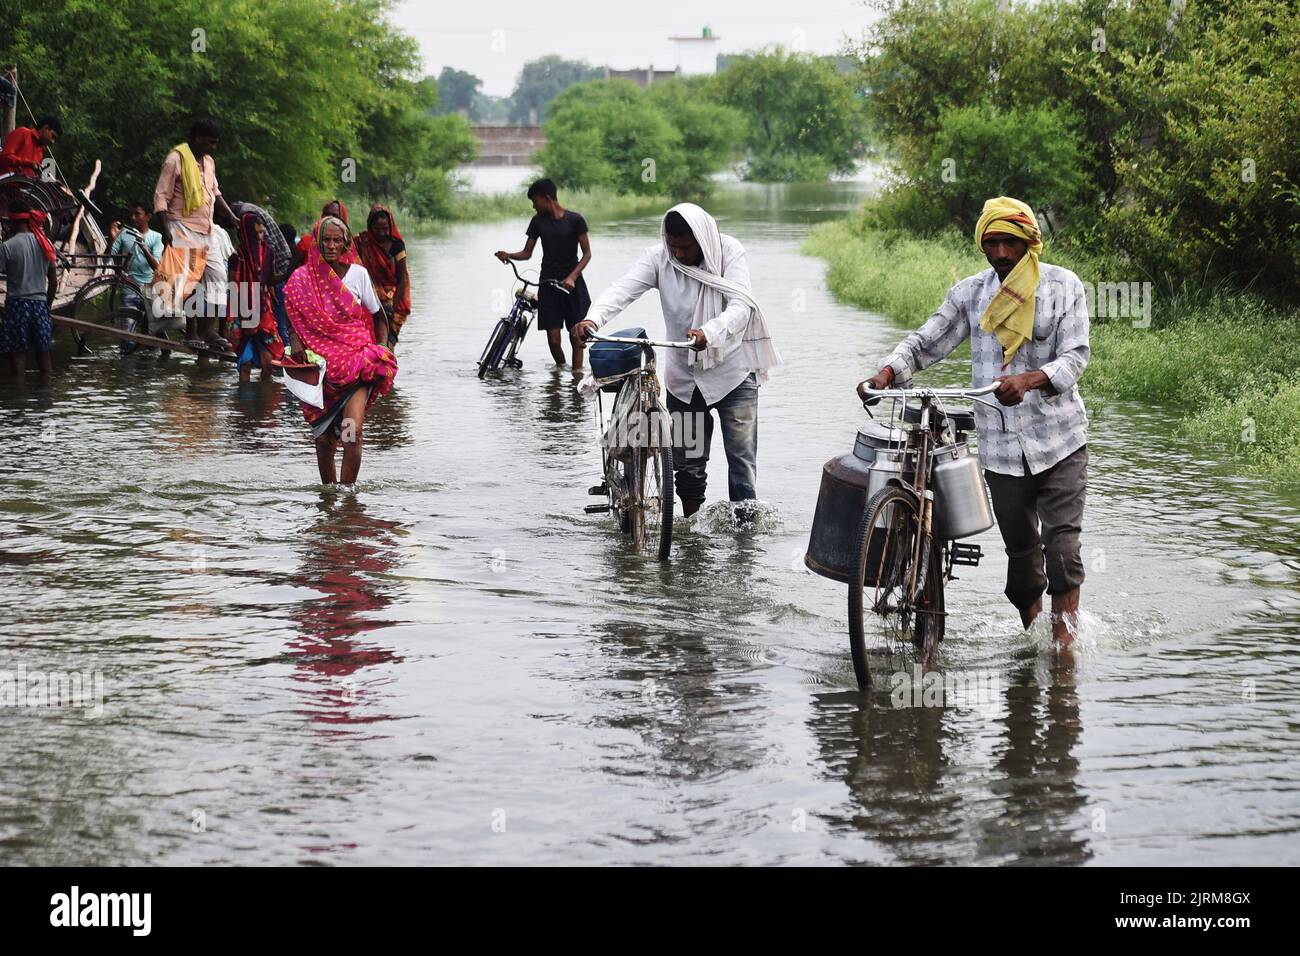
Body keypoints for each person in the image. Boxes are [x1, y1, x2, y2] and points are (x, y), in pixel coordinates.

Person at [859, 196, 1090, 646]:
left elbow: (1076, 356)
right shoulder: (971, 293)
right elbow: (929, 340)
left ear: (1028, 242)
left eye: (1010, 242)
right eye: (992, 243)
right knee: (1023, 562)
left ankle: (1063, 652)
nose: (1001, 253)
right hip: (1001, 451)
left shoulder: (1064, 286)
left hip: (1061, 442)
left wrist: (1031, 380)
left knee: (1062, 552)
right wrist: (887, 372)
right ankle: (1033, 639)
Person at [574, 203, 782, 518]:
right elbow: (622, 290)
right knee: (689, 466)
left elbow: (741, 305)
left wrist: (710, 333)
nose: (680, 255)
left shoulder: (729, 252)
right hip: (685, 381)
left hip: (733, 373)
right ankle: (692, 527)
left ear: (703, 239)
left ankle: (745, 538)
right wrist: (592, 319)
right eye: (674, 247)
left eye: (686, 247)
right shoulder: (660, 258)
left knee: (741, 462)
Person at [283, 217, 397, 485]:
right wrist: (295, 340)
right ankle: (329, 498)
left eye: (337, 240)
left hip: (357, 364)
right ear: (317, 242)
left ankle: (347, 500)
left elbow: (379, 315)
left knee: (352, 431)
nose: (331, 245)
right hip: (321, 371)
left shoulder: (359, 275)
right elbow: (291, 315)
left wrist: (382, 348)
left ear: (346, 243)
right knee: (323, 440)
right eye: (326, 240)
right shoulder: (301, 278)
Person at [152, 118, 239, 352]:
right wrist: (166, 228)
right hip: (182, 225)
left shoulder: (209, 162)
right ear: (197, 137)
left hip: (206, 228)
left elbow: (215, 192)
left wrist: (231, 216)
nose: (213, 147)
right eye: (210, 142)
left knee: (217, 277)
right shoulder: (175, 159)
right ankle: (190, 333)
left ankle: (207, 330)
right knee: (190, 283)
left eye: (216, 143)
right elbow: (161, 196)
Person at [495, 178, 592, 370]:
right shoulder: (537, 222)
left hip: (572, 285)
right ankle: (561, 370)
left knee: (576, 337)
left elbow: (587, 254)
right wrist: (509, 255)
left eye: (534, 201)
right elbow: (527, 253)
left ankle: (576, 377)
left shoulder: (575, 220)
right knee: (554, 341)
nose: (533, 206)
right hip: (548, 284)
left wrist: (572, 277)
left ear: (546, 198)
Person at [0, 200, 58, 378]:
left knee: (18, 354)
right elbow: (54, 282)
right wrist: (46, 306)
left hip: (16, 304)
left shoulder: (7, 247)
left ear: (12, 221)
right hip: (40, 305)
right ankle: (45, 396)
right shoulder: (45, 243)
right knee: (44, 354)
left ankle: (20, 397)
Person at [228, 212, 283, 382]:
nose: (259, 237)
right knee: (245, 364)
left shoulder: (268, 252)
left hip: (263, 311)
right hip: (241, 311)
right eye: (255, 233)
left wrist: (289, 271)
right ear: (246, 233)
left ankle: (263, 403)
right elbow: (233, 287)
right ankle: (243, 404)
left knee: (268, 364)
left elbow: (270, 279)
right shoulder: (237, 257)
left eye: (262, 232)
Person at [354, 205, 410, 347]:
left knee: (388, 346)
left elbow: (402, 279)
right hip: (368, 295)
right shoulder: (362, 242)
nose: (382, 233)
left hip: (392, 298)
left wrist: (393, 308)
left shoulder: (397, 245)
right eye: (377, 229)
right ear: (370, 226)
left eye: (385, 228)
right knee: (369, 344)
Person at [292, 200, 356, 269]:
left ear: (343, 220)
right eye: (327, 214)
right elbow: (290, 273)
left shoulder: (349, 249)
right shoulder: (306, 243)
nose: (330, 219)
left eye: (335, 216)